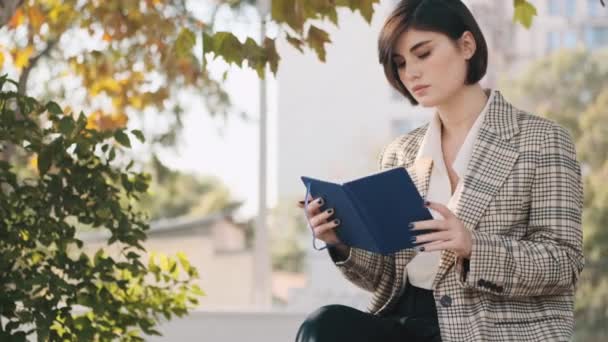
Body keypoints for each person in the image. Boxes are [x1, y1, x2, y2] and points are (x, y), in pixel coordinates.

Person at [295, 0, 584, 341]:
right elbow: (383, 277)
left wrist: (473, 246)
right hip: (403, 319)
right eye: (400, 63)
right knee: (324, 327)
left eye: (423, 53)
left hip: (490, 327)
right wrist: (339, 242)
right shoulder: (400, 153)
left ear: (466, 45)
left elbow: (564, 263)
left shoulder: (541, 140)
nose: (411, 73)